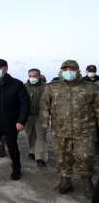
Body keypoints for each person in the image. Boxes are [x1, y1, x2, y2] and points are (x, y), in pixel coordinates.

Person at [40, 60, 99, 199]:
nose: (68, 71)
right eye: (65, 68)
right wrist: (44, 122)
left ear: (77, 70)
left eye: (71, 68)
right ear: (61, 70)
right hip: (61, 131)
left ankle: (87, 182)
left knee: (85, 157)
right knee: (62, 158)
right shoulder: (52, 87)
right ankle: (65, 181)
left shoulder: (91, 88)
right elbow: (44, 105)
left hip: (85, 131)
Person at [24, 68, 48, 167]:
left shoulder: (46, 87)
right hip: (28, 115)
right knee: (30, 135)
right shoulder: (24, 87)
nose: (32, 78)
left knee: (40, 136)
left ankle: (40, 158)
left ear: (39, 76)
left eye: (34, 76)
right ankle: (32, 151)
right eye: (30, 76)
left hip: (41, 115)